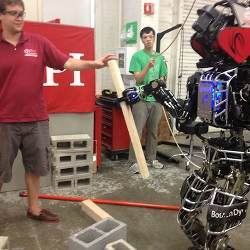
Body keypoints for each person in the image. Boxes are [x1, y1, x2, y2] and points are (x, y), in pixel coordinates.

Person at [0, 0, 117, 222]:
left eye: (22, 13)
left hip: (36, 120)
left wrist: (95, 64)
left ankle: (34, 208)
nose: (19, 17)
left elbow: (68, 63)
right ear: (1, 16)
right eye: (13, 13)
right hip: (4, 121)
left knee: (35, 167)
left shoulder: (38, 43)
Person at [128, 26, 168, 174]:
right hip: (141, 100)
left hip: (156, 100)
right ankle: (133, 161)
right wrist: (147, 66)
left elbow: (163, 76)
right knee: (136, 131)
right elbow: (138, 78)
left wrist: (161, 81)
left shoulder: (160, 57)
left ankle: (152, 158)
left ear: (154, 37)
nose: (148, 39)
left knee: (153, 131)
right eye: (145, 37)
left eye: (151, 36)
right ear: (142, 39)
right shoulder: (137, 57)